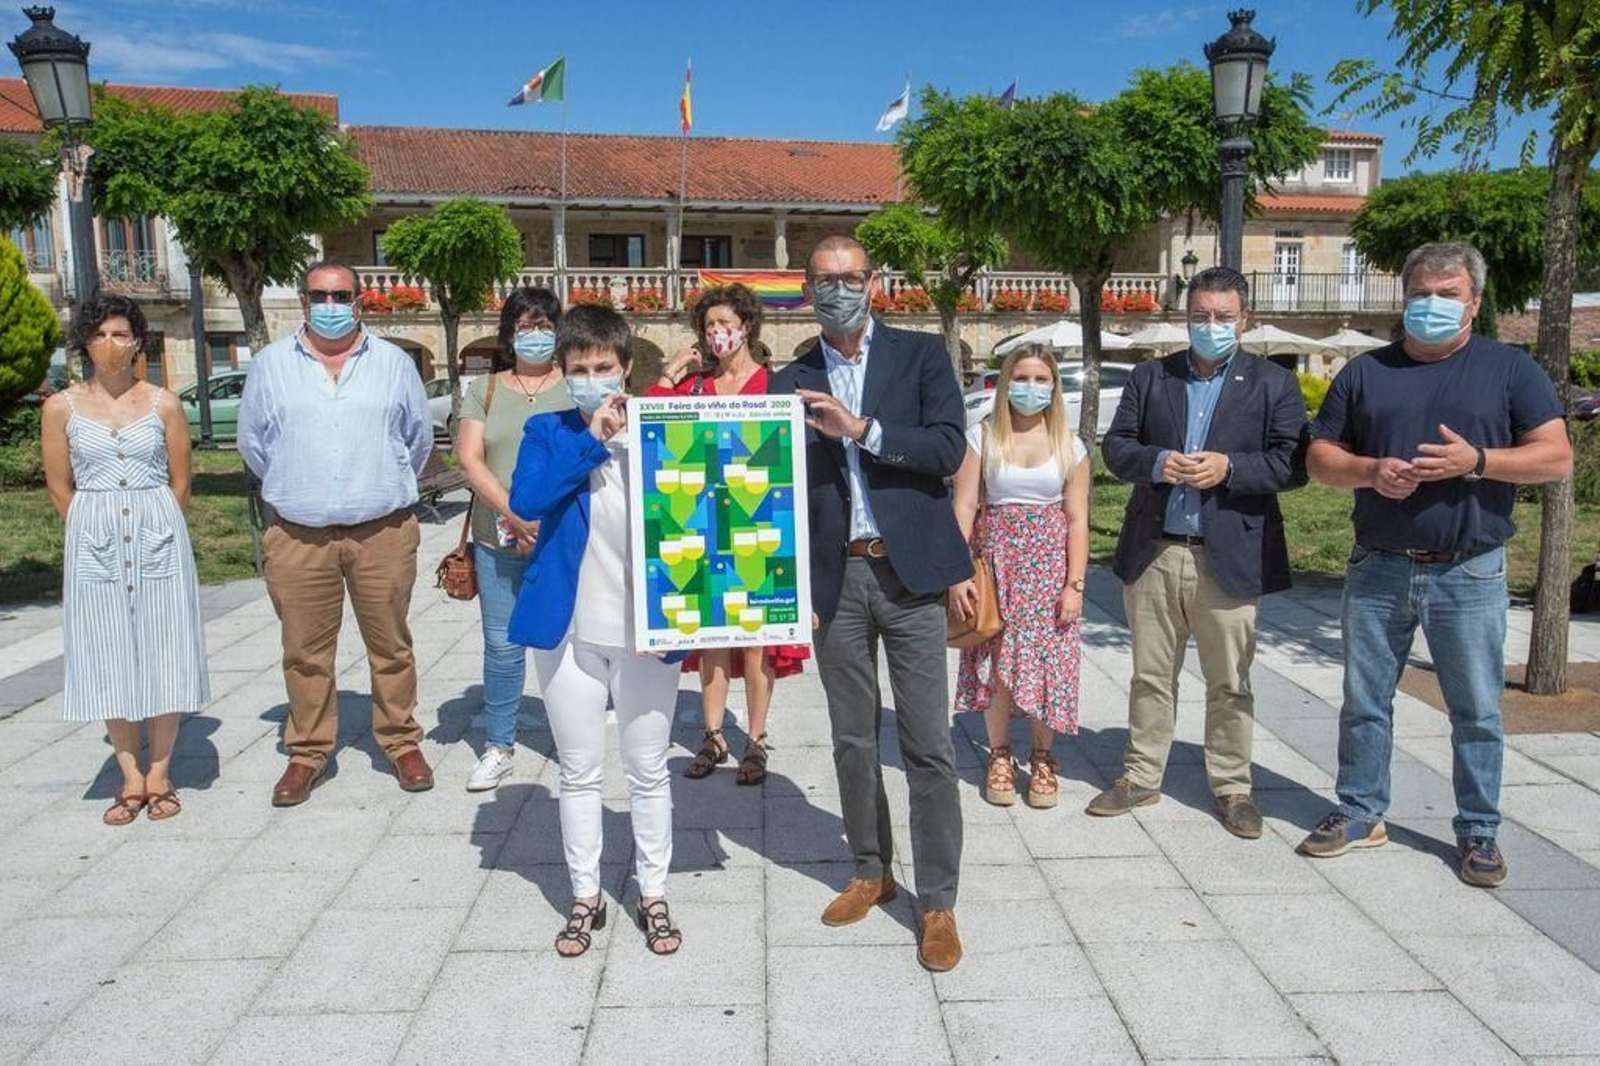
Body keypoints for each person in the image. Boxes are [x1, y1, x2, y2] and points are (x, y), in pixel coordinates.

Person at [1295, 241, 1571, 887]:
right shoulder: (1366, 372)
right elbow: (1319, 459)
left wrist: (1477, 461)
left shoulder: (1510, 370)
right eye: (1421, 293)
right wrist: (1368, 470)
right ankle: (1360, 812)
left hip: (1470, 570)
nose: (1432, 305)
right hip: (1378, 567)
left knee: (1476, 709)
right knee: (1364, 702)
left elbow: (1556, 458)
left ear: (1474, 303)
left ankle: (1479, 831)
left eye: (1447, 295)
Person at [771, 235, 971, 973]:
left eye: (850, 277)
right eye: (824, 280)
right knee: (852, 737)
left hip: (911, 576)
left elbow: (949, 449)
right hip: (837, 584)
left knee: (928, 745)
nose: (838, 290)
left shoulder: (919, 358)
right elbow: (767, 491)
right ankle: (870, 868)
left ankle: (939, 900)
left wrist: (863, 432)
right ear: (806, 288)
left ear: (874, 283)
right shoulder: (787, 380)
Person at [1095, 266, 1308, 839]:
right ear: (1185, 317)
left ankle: (1232, 787)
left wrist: (1230, 468)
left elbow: (1292, 464)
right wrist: (1160, 463)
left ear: (1245, 319)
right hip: (1157, 551)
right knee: (1150, 676)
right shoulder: (1150, 376)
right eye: (1200, 316)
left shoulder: (1273, 383)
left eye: (1222, 316)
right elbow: (1116, 449)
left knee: (1230, 680)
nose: (1210, 325)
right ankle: (1141, 775)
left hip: (1230, 555)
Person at [506, 305, 685, 959]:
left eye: (602, 367)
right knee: (579, 771)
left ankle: (653, 889)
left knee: (647, 769)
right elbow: (527, 500)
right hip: (569, 630)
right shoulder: (547, 430)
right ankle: (586, 895)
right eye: (577, 369)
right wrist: (591, 437)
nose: (590, 378)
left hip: (648, 628)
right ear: (562, 372)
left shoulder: (662, 431)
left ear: (626, 367)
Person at [237, 259, 435, 807]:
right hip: (299, 535)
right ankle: (307, 752)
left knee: (391, 646)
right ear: (304, 301)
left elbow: (416, 441)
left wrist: (375, 484)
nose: (330, 306)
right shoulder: (271, 365)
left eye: (340, 296)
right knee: (304, 651)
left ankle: (400, 741)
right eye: (319, 296)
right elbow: (254, 443)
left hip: (382, 532)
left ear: (359, 300)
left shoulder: (393, 363)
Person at [40, 294, 209, 824]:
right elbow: (58, 484)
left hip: (157, 531)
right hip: (95, 539)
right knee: (107, 650)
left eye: (120, 334)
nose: (110, 345)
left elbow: (180, 483)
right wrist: (92, 528)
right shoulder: (61, 408)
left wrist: (155, 524)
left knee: (164, 646)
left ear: (137, 341)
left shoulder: (163, 404)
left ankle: (160, 770)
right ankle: (128, 774)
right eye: (99, 334)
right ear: (84, 342)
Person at [648, 282, 809, 785]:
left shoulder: (776, 386)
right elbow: (649, 422)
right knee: (712, 635)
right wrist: (673, 371)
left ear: (747, 328)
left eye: (726, 324)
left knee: (757, 635)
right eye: (710, 326)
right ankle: (713, 735)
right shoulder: (696, 387)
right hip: (703, 521)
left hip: (761, 521)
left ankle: (755, 738)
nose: (719, 333)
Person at [950, 344, 1090, 809]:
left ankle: (1044, 756)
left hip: (1048, 572)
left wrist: (1075, 584)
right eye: (1022, 379)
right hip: (997, 567)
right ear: (1005, 383)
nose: (1032, 388)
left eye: (1041, 379)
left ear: (1055, 385)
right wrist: (956, 573)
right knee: (997, 662)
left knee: (1048, 662)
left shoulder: (1070, 446)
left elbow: (1077, 520)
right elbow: (965, 505)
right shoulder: (983, 437)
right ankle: (1000, 754)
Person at [455, 287, 571, 792]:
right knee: (502, 646)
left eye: (546, 325)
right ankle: (499, 744)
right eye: (526, 325)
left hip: (562, 539)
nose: (537, 335)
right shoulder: (484, 389)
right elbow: (469, 457)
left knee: (566, 642)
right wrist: (513, 511)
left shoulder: (574, 386)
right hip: (496, 538)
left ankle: (573, 738)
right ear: (509, 331)